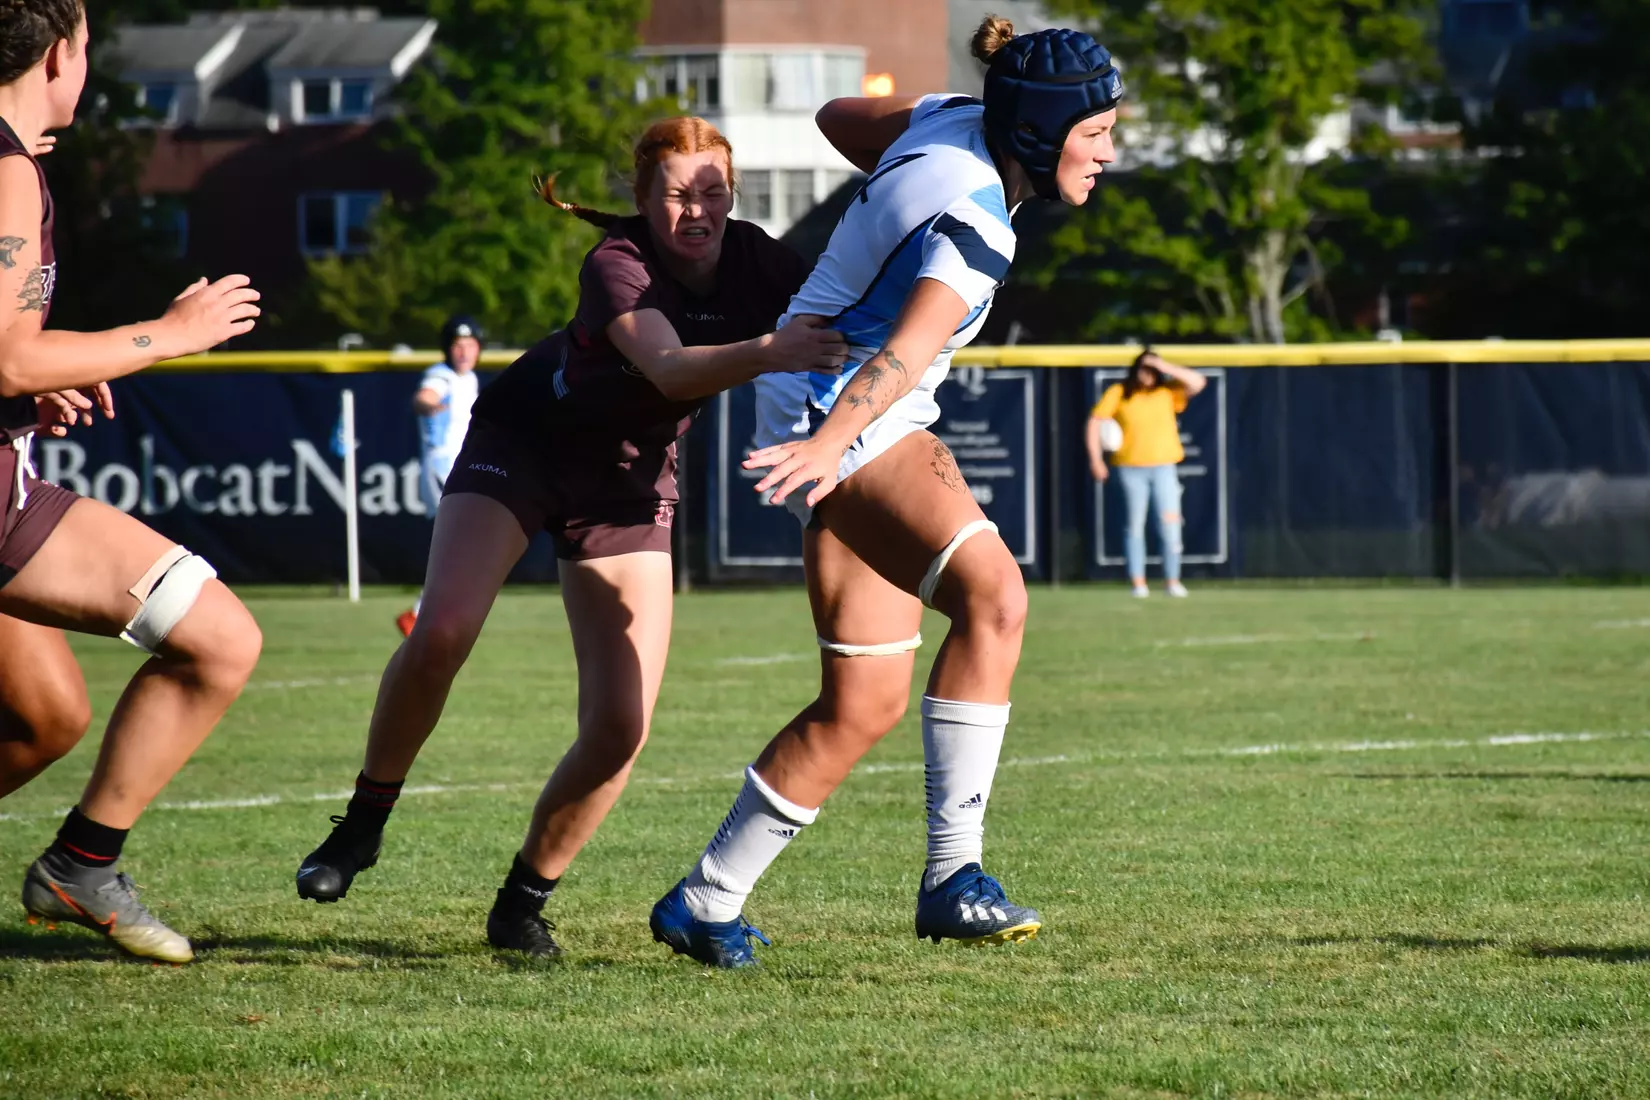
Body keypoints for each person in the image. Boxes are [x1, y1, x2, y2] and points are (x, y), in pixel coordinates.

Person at [293, 116, 847, 959]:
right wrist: (774, 349)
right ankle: (364, 823)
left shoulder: (761, 257)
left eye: (713, 193)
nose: (696, 210)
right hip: (525, 445)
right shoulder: (616, 262)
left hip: (624, 480)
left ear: (734, 195)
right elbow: (668, 367)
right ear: (639, 197)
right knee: (441, 632)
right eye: (675, 194)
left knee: (622, 724)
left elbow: (854, 307)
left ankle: (521, 905)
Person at [647, 16, 1124, 968]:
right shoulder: (980, 220)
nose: (1111, 150)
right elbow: (904, 354)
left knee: (862, 703)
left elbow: (833, 114)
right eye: (1098, 131)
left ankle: (706, 900)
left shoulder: (947, 117)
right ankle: (954, 879)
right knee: (996, 600)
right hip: (847, 415)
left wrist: (890, 175)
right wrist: (828, 445)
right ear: (1039, 131)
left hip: (821, 406)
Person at [0, 0, 265, 963]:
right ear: (63, 54)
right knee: (220, 639)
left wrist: (31, 391)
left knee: (44, 716)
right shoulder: (6, 169)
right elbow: (9, 354)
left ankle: (79, 867)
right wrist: (173, 335)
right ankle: (80, 867)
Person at [1086, 348, 1206, 598]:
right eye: (1143, 368)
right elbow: (1095, 421)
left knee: (1170, 525)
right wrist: (1096, 459)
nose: (1147, 374)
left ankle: (1172, 580)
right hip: (1130, 468)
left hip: (1163, 468)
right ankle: (1138, 582)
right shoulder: (1120, 393)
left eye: (1151, 370)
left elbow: (1198, 382)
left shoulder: (1166, 392)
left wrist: (1163, 365)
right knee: (1134, 526)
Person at [398, 314, 485, 636]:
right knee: (463, 541)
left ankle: (431, 612)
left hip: (459, 466)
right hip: (441, 468)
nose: (463, 352)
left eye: (470, 345)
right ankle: (424, 613)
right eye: (457, 345)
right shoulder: (441, 376)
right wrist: (427, 404)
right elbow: (425, 397)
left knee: (468, 543)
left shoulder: (469, 380)